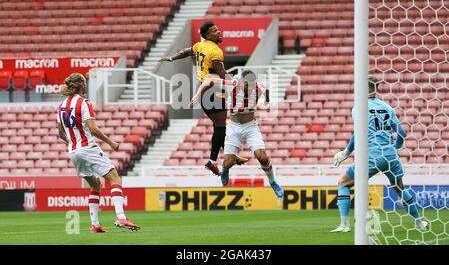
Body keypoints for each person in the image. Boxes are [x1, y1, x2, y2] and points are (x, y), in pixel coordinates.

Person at [331, 76, 428, 233]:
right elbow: (402, 133)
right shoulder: (388, 107)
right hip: (389, 155)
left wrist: (346, 153)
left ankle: (345, 225)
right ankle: (419, 222)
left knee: (343, 182)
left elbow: (359, 133)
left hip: (371, 156)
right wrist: (393, 148)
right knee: (399, 188)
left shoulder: (359, 108)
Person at [159, 21, 247, 176]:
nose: (219, 32)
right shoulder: (215, 51)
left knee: (219, 126)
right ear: (207, 35)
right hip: (213, 90)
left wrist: (172, 58)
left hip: (204, 90)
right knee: (221, 126)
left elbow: (186, 51)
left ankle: (226, 157)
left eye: (218, 29)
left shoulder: (200, 45)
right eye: (215, 30)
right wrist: (236, 84)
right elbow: (221, 72)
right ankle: (216, 160)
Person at [57, 73, 140, 233]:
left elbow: (60, 133)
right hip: (87, 147)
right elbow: (93, 129)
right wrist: (111, 142)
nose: (86, 85)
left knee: (95, 184)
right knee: (114, 177)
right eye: (85, 82)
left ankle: (95, 224)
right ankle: (121, 216)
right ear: (81, 85)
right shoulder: (84, 103)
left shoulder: (61, 106)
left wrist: (73, 143)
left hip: (73, 151)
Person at [190, 70, 284, 199]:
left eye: (252, 85)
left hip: (251, 127)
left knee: (261, 156)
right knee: (228, 162)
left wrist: (267, 100)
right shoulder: (232, 84)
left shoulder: (259, 87)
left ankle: (273, 182)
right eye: (247, 84)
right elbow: (207, 81)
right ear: (241, 81)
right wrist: (197, 95)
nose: (250, 88)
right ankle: (226, 169)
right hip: (233, 128)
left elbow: (266, 90)